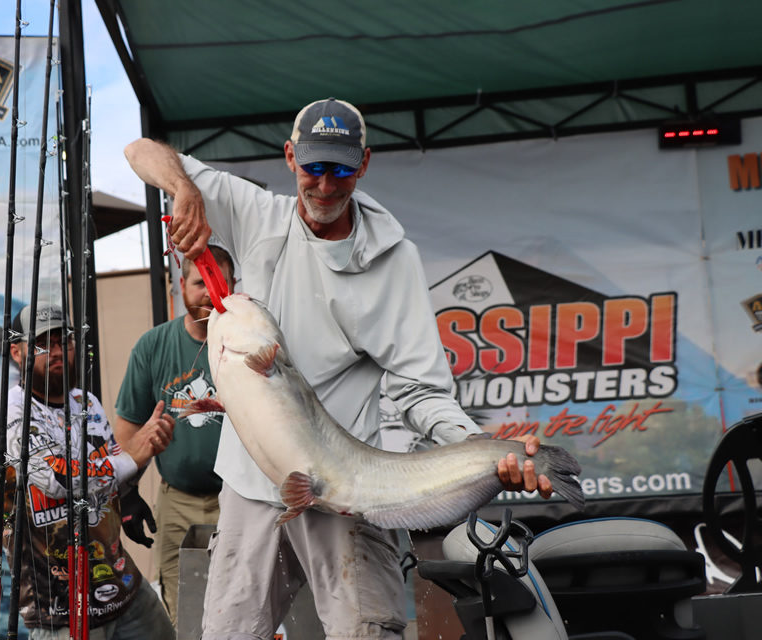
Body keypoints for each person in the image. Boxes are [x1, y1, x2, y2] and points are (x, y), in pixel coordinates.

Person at [124, 97, 553, 639]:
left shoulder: (396, 261)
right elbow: (140, 150)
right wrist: (184, 188)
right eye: (314, 167)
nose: (326, 185)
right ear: (290, 158)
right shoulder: (255, 213)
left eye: (342, 169)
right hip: (249, 488)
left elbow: (422, 391)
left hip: (347, 488)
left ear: (365, 164)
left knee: (368, 632)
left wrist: (478, 451)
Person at [0, 303, 176, 640]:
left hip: (119, 583)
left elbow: (110, 462)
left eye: (64, 342)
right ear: (17, 352)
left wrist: (141, 462)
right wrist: (131, 456)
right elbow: (59, 480)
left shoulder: (86, 402)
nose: (57, 352)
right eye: (44, 344)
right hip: (56, 604)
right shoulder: (9, 412)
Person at [113, 244, 235, 628]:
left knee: (242, 610)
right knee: (184, 614)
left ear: (233, 287)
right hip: (177, 504)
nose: (208, 293)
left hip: (242, 502)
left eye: (219, 283)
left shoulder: (248, 342)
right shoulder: (153, 346)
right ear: (181, 285)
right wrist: (128, 493)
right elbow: (127, 431)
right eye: (200, 283)